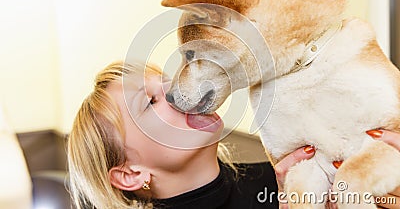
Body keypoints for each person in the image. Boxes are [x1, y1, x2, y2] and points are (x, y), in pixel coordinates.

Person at [67, 61, 400, 209]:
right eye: (151, 101)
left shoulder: (290, 177)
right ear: (129, 173)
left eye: (169, 80)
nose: (178, 91)